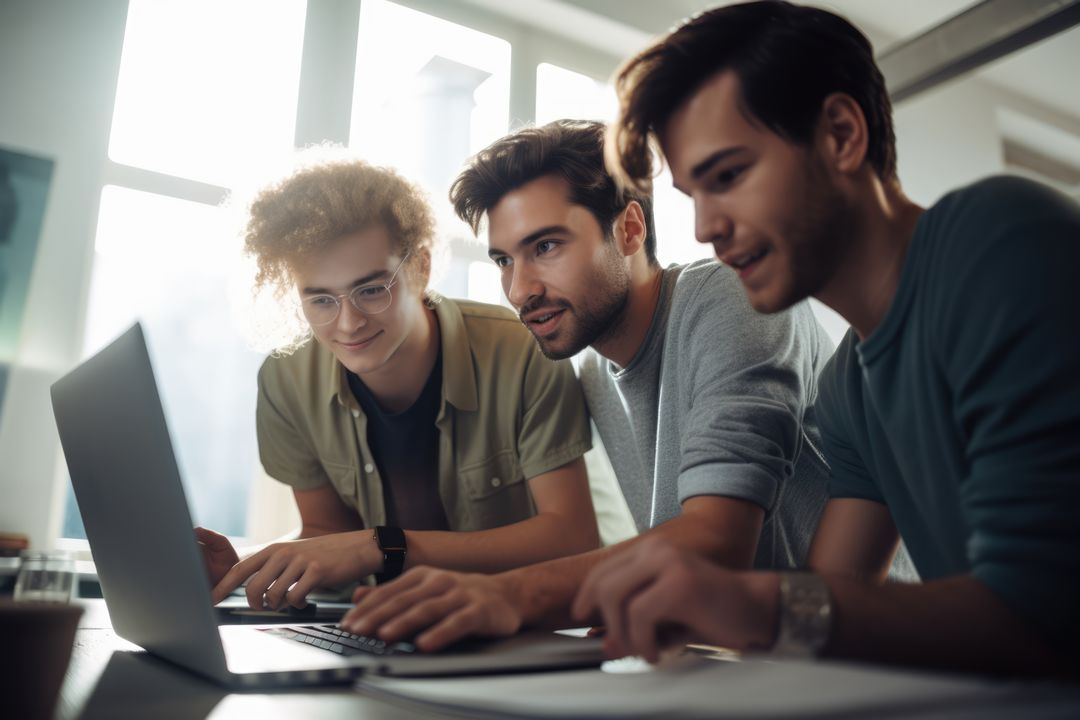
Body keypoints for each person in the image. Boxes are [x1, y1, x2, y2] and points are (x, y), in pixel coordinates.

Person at [577, 0, 1080, 675]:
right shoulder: (850, 387)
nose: (705, 227)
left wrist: (750, 601)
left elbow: (1043, 612)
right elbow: (834, 602)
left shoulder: (998, 242)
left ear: (842, 134)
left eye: (728, 177)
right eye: (694, 193)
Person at [340, 119, 834, 651]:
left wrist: (512, 594)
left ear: (629, 230)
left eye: (546, 246)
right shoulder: (594, 369)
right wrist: (621, 597)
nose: (520, 289)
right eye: (505, 260)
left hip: (848, 666)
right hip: (722, 658)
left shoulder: (729, 299)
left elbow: (718, 542)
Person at [196, 154, 600, 611]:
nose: (348, 324)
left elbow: (573, 538)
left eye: (371, 290)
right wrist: (245, 568)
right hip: (380, 625)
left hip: (524, 624)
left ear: (420, 268)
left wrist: (387, 545)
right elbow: (328, 535)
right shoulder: (286, 379)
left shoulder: (523, 353)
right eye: (321, 300)